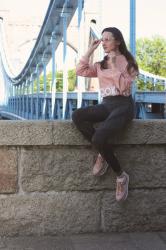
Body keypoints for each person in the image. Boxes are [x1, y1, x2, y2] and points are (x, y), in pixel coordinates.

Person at [72, 27, 138, 202]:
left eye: (108, 39)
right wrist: (91, 49)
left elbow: (124, 87)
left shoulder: (129, 63)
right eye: (102, 39)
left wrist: (115, 65)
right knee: (77, 116)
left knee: (99, 138)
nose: (104, 42)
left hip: (123, 106)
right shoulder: (100, 65)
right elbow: (80, 70)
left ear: (118, 41)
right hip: (107, 104)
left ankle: (121, 176)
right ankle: (103, 151)